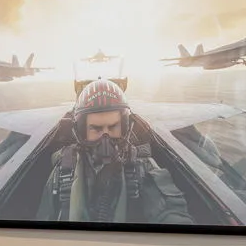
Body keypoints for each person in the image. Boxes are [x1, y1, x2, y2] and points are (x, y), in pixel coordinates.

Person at [36, 78, 191, 225]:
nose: (106, 138)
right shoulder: (64, 171)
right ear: (81, 131)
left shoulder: (142, 168)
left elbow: (171, 214)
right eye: (96, 129)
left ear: (124, 127)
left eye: (113, 127)